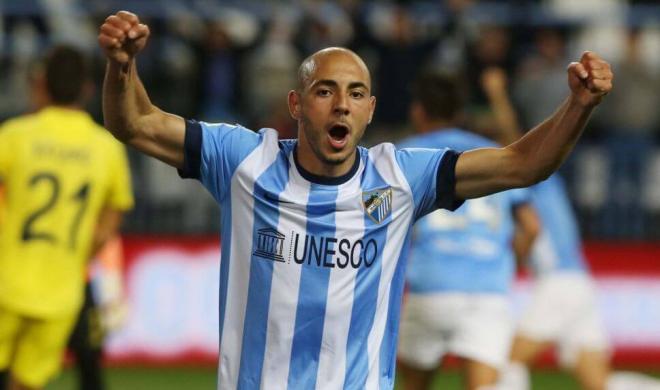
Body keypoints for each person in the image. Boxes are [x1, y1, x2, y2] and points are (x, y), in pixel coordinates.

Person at [98, 10, 612, 389]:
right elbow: (136, 123)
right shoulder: (245, 161)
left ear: (370, 109)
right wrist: (122, 66)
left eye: (356, 93)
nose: (341, 103)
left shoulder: (402, 177)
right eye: (325, 91)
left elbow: (523, 163)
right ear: (296, 104)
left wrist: (579, 106)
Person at [481, 67, 660, 390]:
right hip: (580, 284)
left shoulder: (531, 176)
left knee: (506, 362)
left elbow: (513, 140)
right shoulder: (550, 182)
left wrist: (496, 94)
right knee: (598, 384)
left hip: (558, 284)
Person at [0, 45, 134, 390]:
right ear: (88, 89)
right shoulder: (107, 148)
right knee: (26, 382)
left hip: (6, 281)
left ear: (40, 83)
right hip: (62, 292)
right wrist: (77, 255)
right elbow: (108, 226)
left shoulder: (15, 135)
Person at [395, 72, 540, 390]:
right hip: (486, 293)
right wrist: (511, 262)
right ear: (460, 113)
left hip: (430, 286)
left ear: (418, 111)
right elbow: (531, 226)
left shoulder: (402, 156)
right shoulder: (495, 154)